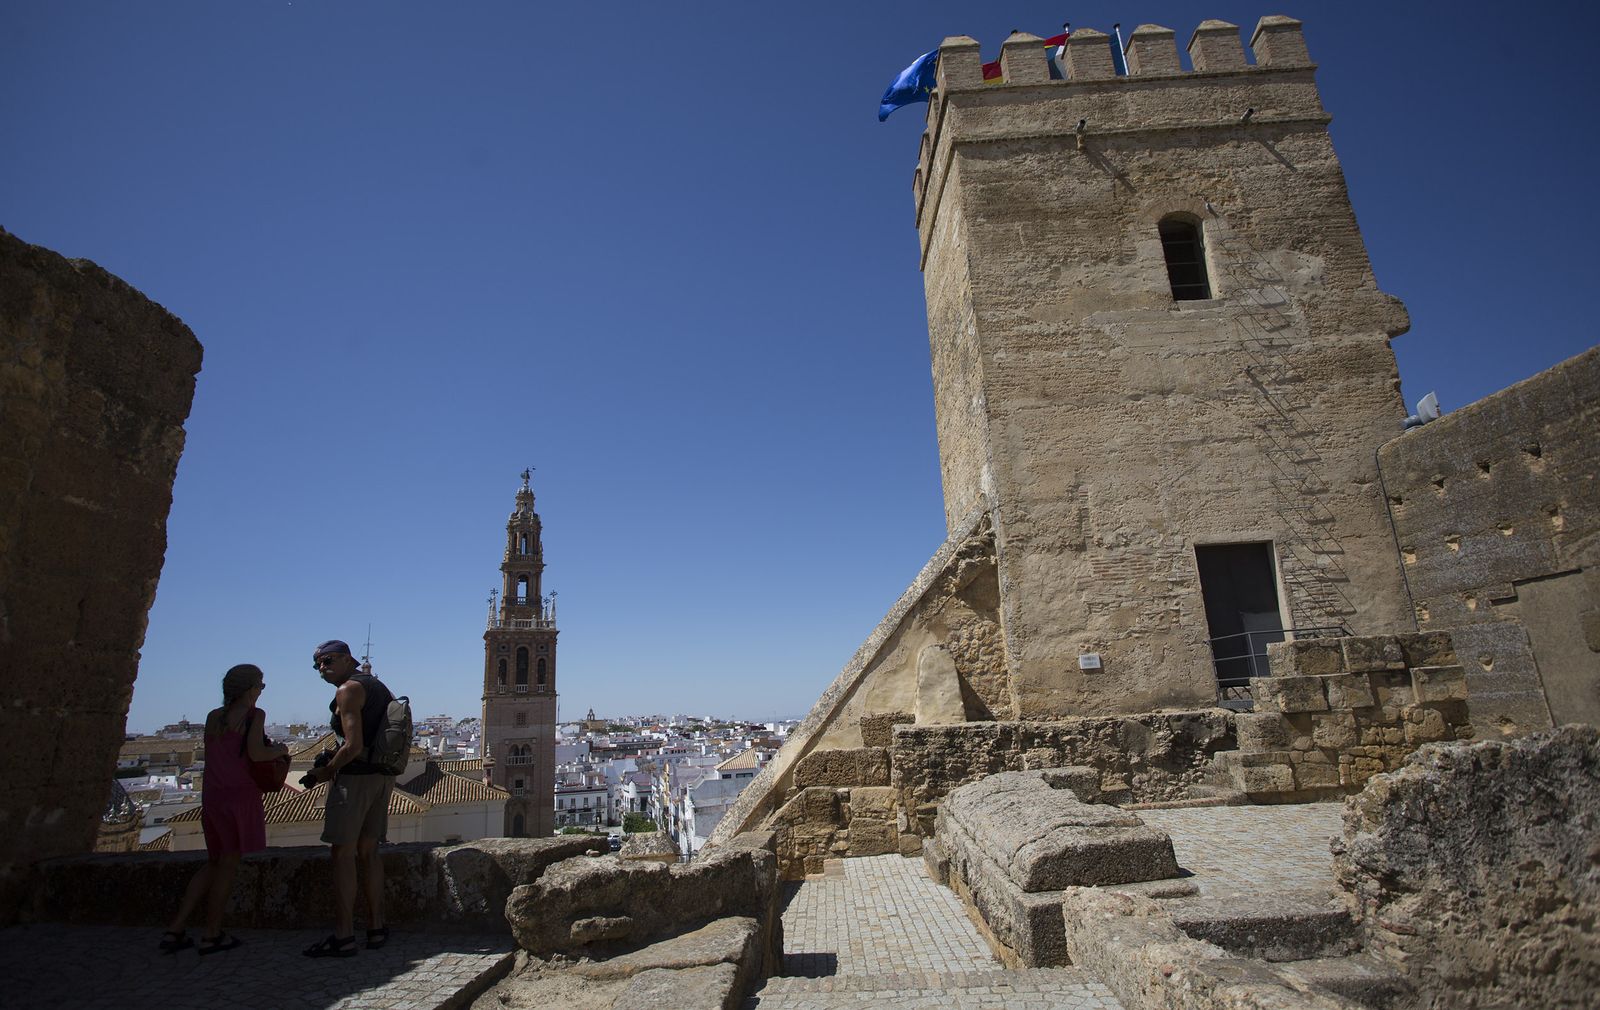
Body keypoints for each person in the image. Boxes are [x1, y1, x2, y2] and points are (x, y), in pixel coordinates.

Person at [160, 663, 288, 955]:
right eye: (260, 685)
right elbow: (256, 753)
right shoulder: (254, 715)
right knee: (228, 865)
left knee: (214, 861)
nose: (261, 691)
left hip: (213, 797)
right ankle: (211, 933)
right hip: (239, 796)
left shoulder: (212, 717)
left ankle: (176, 927)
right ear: (250, 688)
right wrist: (280, 750)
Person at [301, 639, 397, 958]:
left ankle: (344, 935)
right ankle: (376, 927)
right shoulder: (379, 686)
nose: (321, 669)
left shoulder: (348, 690)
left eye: (327, 661)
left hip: (355, 781)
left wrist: (326, 771)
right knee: (369, 853)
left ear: (346, 659)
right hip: (382, 778)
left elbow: (353, 745)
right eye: (317, 664)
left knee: (343, 854)